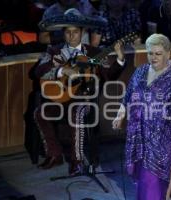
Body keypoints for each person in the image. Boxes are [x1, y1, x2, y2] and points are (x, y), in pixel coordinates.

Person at [35, 8, 126, 176]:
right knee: (41, 113)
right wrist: (61, 72)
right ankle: (54, 154)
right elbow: (38, 71)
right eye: (68, 32)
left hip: (84, 101)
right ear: (63, 33)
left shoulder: (93, 53)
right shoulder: (54, 51)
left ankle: (77, 161)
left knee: (75, 112)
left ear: (82, 32)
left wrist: (120, 59)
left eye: (75, 32)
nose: (71, 36)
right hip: (60, 98)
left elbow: (109, 76)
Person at [112, 33, 171, 200]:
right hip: (141, 132)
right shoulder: (141, 71)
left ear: (168, 53)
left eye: (158, 53)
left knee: (163, 168)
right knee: (144, 176)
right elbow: (129, 95)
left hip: (167, 132)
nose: (153, 57)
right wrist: (119, 115)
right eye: (150, 53)